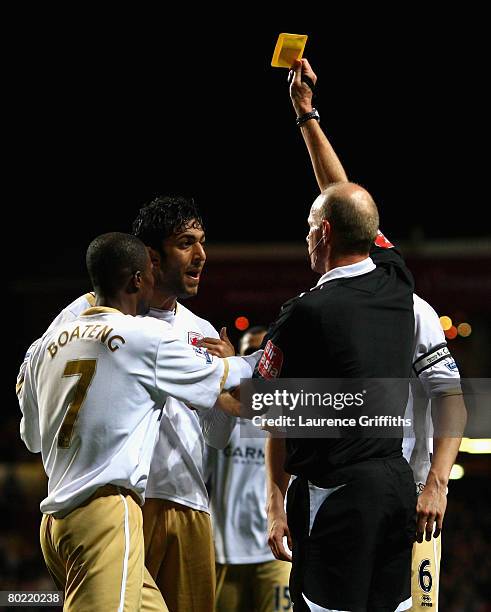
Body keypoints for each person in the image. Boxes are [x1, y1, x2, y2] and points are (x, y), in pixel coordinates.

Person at [280, 58, 466, 611]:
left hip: (406, 496)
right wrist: (306, 116)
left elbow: (451, 400)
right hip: (378, 489)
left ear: (328, 235)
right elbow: (343, 198)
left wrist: (437, 483)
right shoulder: (381, 280)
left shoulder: (412, 309)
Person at [16, 232, 256, 611]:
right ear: (137, 280)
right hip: (106, 512)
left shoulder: (49, 344)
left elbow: (30, 438)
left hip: (55, 523)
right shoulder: (146, 335)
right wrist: (271, 351)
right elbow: (230, 376)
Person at [207, 326, 292, 612]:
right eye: (246, 354)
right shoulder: (218, 411)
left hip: (276, 551)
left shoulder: (284, 408)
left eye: (260, 357)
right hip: (224, 551)